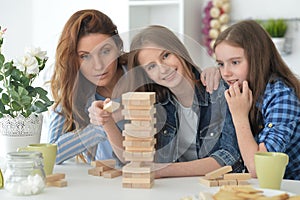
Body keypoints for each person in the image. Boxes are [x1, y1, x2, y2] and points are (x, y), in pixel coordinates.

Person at [89, 25, 243, 178]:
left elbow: (228, 158)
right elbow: (130, 158)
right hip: (173, 189)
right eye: (152, 66)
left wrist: (161, 170)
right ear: (147, 74)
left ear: (178, 51)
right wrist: (107, 122)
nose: (163, 69)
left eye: (166, 55)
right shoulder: (158, 103)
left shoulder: (218, 90)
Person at [213, 20, 300, 180]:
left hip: (290, 188)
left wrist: (239, 116)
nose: (225, 72)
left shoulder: (281, 96)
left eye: (235, 62)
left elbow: (258, 170)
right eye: (220, 64)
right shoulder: (240, 87)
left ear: (258, 58)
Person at [49, 9, 127, 164]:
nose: (98, 66)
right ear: (74, 60)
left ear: (118, 47)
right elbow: (50, 154)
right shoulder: (72, 91)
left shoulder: (142, 74)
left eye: (105, 51)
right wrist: (99, 127)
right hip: (101, 183)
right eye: (85, 56)